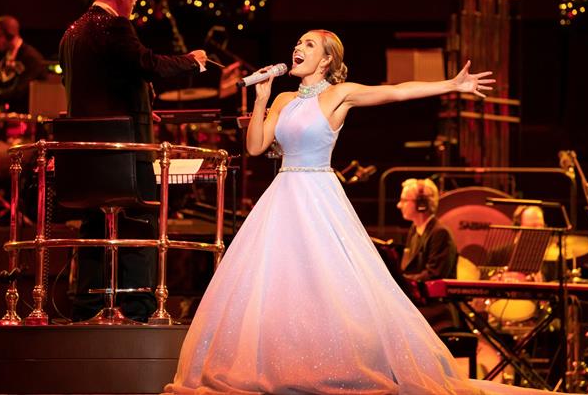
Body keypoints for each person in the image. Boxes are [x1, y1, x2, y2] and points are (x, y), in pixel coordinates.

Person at [165, 30, 556, 394]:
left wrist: (451, 85)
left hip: (318, 192)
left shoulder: (338, 94)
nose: (298, 48)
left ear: (326, 60)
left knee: (329, 281)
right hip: (283, 191)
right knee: (276, 281)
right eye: (298, 42)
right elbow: (255, 147)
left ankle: (337, 362)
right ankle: (277, 363)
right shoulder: (284, 99)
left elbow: (396, 92)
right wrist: (263, 97)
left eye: (310, 45)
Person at [59, 0, 207, 322]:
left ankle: (86, 307)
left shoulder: (71, 32)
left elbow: (101, 85)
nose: (135, 2)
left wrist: (141, 106)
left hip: (86, 153)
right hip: (123, 149)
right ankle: (142, 308)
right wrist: (192, 61)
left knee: (95, 225)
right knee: (141, 218)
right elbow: (146, 63)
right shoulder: (113, 25)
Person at [397, 178, 459, 333]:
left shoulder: (439, 233)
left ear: (421, 204)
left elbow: (434, 275)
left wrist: (404, 283)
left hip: (437, 307)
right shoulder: (415, 229)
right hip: (421, 300)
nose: (399, 205)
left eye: (404, 200)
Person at [0, 15, 47, 114]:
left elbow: (19, 91)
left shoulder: (31, 57)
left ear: (9, 35)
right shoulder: (8, 56)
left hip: (29, 120)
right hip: (12, 115)